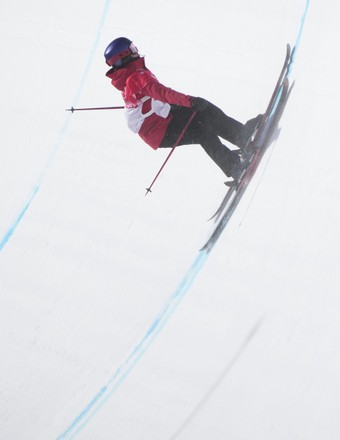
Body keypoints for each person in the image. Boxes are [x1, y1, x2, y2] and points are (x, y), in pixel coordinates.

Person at [104, 37, 261, 181]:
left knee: (203, 111)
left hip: (160, 118)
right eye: (132, 48)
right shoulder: (137, 77)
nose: (136, 50)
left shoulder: (129, 77)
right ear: (124, 55)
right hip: (158, 130)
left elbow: (147, 99)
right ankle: (235, 165)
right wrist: (190, 101)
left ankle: (242, 137)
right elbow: (162, 93)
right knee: (201, 129)